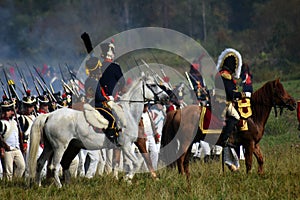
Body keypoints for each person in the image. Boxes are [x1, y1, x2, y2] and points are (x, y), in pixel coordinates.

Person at [215, 48, 248, 171]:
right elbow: (230, 93)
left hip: (224, 101)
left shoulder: (224, 75)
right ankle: (225, 138)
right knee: (236, 117)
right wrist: (241, 95)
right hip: (223, 103)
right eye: (234, 64)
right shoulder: (225, 75)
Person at [95, 39, 125, 146]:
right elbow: (122, 83)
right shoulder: (115, 67)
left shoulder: (98, 67)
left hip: (98, 99)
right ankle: (115, 138)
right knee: (121, 118)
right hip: (111, 99)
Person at [0, 96, 25, 180]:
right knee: (8, 171)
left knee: (22, 166)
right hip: (8, 149)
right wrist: (4, 146)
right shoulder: (2, 123)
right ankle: (9, 186)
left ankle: (16, 181)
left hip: (16, 148)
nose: (10, 112)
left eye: (10, 110)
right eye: (7, 110)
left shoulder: (14, 121)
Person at [141, 103, 159, 170]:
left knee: (155, 152)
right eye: (145, 106)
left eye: (146, 106)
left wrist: (155, 135)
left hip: (151, 136)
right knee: (145, 154)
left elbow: (152, 124)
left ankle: (154, 169)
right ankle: (146, 170)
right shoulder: (139, 114)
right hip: (143, 137)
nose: (146, 107)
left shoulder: (149, 113)